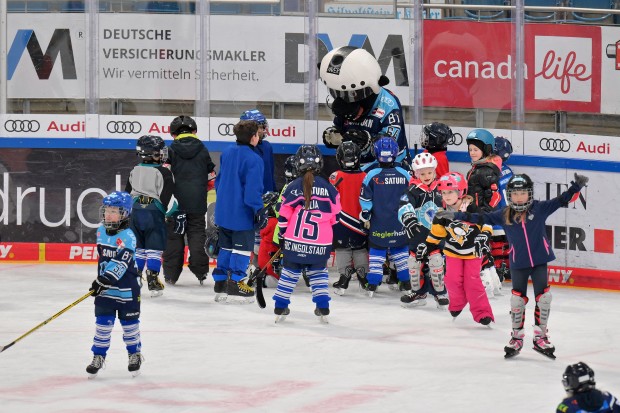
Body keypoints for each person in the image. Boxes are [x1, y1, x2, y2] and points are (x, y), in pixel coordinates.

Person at [440, 172, 589, 358]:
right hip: (518, 264)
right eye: (515, 194)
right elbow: (480, 218)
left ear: (530, 194)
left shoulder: (540, 209)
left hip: (540, 261)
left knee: (543, 298)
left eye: (523, 193)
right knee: (517, 301)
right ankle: (517, 337)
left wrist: (577, 187)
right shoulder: (504, 215)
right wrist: (456, 214)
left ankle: (540, 337)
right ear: (509, 195)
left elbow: (561, 200)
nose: (519, 197)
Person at [273, 145, 341, 322]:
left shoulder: (292, 187)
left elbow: (283, 215)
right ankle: (323, 307)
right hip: (320, 243)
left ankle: (280, 306)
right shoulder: (329, 188)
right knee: (318, 274)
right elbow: (336, 217)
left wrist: (282, 236)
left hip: (295, 241)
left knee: (289, 273)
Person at [417, 172, 494, 325]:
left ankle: (482, 312)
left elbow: (486, 224)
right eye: (444, 193)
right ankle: (457, 304)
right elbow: (436, 234)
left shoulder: (471, 208)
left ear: (461, 191)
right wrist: (426, 246)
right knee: (451, 280)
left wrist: (484, 236)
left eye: (450, 192)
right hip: (452, 252)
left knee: (472, 282)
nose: (446, 196)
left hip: (473, 253)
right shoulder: (442, 214)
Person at [319, 46, 410, 167]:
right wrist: (336, 137)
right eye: (338, 94)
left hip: (389, 167)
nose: (345, 100)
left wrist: (369, 141)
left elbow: (391, 143)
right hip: (354, 167)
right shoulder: (344, 104)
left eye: (351, 95)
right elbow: (340, 128)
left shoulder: (388, 104)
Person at [86, 191, 143, 378]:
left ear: (125, 214)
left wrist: (104, 279)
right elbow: (103, 259)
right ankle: (98, 356)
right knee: (102, 325)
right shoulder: (100, 231)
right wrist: (101, 281)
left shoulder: (128, 236)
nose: (108, 215)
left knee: (130, 325)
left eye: (114, 211)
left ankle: (134, 353)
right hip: (105, 290)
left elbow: (121, 263)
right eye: (107, 210)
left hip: (127, 290)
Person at [213, 120, 264, 303]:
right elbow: (253, 191)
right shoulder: (254, 159)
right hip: (241, 214)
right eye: (258, 134)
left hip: (223, 211)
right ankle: (236, 284)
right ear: (253, 137)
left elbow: (218, 182)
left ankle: (220, 283)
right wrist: (259, 210)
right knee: (241, 250)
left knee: (225, 247)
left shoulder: (227, 152)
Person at [163, 115, 216, 285]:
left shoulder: (170, 150)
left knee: (174, 237)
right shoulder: (203, 149)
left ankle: (171, 275)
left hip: (175, 204)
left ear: (173, 134)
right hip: (197, 202)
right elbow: (211, 177)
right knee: (196, 235)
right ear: (194, 131)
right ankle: (201, 272)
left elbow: (165, 177)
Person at [359, 136, 410, 297]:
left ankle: (373, 283)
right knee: (401, 252)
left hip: (379, 223)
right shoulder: (404, 174)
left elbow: (365, 199)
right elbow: (412, 196)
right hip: (400, 223)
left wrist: (366, 215)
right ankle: (406, 281)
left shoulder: (371, 174)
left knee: (377, 252)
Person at [125, 135, 175, 297]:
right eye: (159, 151)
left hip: (135, 211)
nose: (162, 154)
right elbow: (169, 198)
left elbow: (127, 193)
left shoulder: (134, 170)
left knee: (139, 246)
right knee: (154, 247)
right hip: (154, 212)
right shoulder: (164, 172)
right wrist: (169, 214)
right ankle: (153, 279)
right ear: (152, 153)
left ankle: (136, 277)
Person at [398, 152, 448, 308]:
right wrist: (409, 219)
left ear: (435, 171)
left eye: (429, 172)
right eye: (422, 173)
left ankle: (440, 293)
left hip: (436, 236)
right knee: (414, 263)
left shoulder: (441, 188)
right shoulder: (412, 191)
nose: (426, 176)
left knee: (436, 262)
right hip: (417, 235)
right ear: (416, 173)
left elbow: (451, 204)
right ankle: (418, 292)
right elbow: (403, 205)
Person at [466, 128, 503, 298]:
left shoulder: (486, 170)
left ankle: (485, 285)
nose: (472, 152)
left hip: (482, 217)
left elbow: (495, 195)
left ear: (486, 150)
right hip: (475, 215)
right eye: (470, 149)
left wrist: (486, 214)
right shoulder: (477, 168)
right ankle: (494, 282)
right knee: (484, 248)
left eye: (476, 149)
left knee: (478, 249)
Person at [329, 141, 369, 296]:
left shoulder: (335, 176)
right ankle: (364, 277)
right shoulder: (366, 176)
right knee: (360, 249)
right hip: (360, 222)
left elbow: (330, 199)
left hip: (341, 222)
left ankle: (344, 277)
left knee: (342, 249)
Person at [241, 109, 276, 270]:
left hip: (266, 198)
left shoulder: (267, 147)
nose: (263, 130)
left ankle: (260, 265)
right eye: (260, 127)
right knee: (250, 233)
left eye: (263, 126)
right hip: (249, 200)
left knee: (263, 233)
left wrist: (273, 194)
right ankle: (248, 266)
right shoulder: (242, 151)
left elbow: (270, 172)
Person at [490, 136, 514, 282]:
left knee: (497, 243)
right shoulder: (509, 171)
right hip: (510, 214)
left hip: (497, 214)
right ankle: (509, 268)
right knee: (506, 241)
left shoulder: (491, 172)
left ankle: (498, 268)